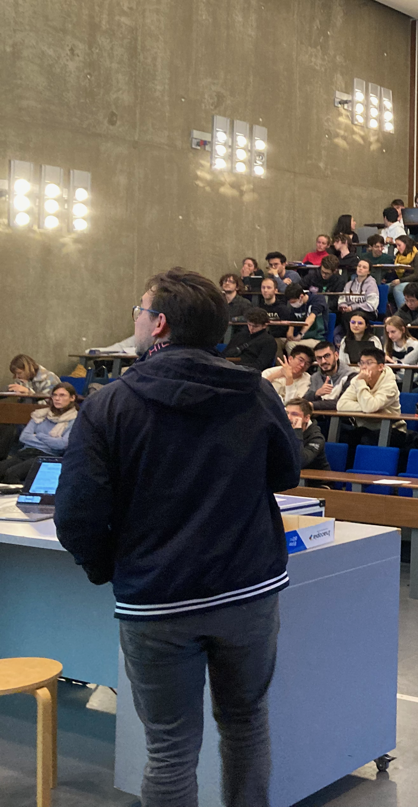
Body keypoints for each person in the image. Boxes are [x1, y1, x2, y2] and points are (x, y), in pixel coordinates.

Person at [56, 268, 299, 807]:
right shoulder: (254, 392)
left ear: (159, 324)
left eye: (140, 313)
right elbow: (286, 473)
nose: (137, 322)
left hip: (158, 600)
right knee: (246, 723)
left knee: (169, 748)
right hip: (248, 591)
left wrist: (112, 570)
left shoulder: (108, 405)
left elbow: (76, 515)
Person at [0, 382, 78, 485]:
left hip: (46, 455)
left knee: (12, 474)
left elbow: (62, 444)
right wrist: (51, 440)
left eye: (62, 395)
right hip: (26, 452)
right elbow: (24, 437)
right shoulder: (40, 414)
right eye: (55, 395)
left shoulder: (74, 419)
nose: (57, 398)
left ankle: (20, 499)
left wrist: (39, 435)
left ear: (72, 398)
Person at [336, 347, 407, 448]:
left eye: (369, 363)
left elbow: (370, 407)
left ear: (380, 367)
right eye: (361, 363)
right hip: (364, 427)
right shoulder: (357, 380)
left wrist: (361, 384)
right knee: (343, 438)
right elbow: (341, 405)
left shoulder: (390, 385)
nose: (364, 367)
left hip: (391, 429)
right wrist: (365, 407)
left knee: (367, 440)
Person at [285, 399, 329, 473]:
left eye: (294, 414)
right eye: (286, 413)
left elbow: (300, 461)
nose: (288, 417)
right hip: (291, 479)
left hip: (317, 482)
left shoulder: (317, 438)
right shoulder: (283, 431)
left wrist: (297, 430)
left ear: (306, 418)